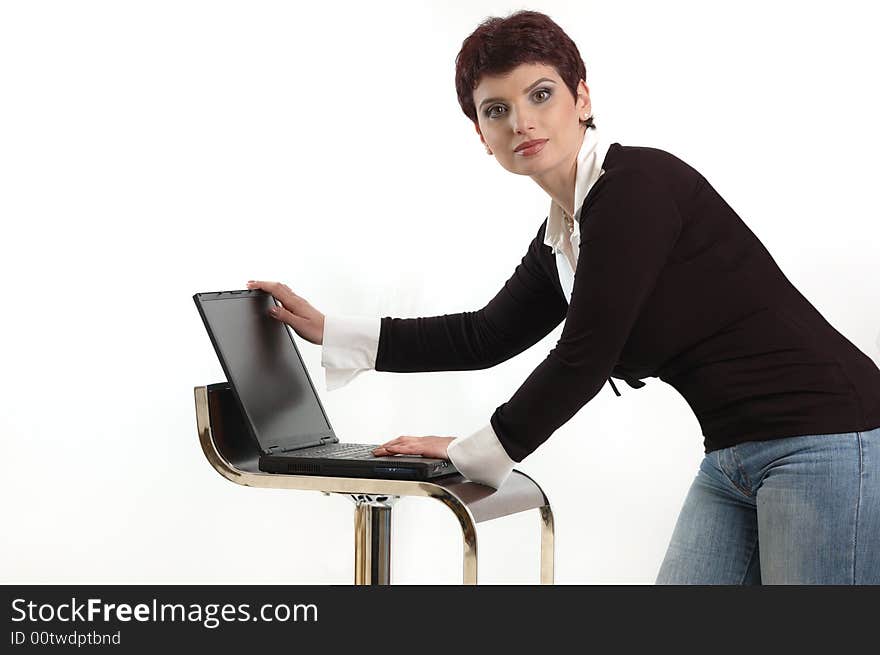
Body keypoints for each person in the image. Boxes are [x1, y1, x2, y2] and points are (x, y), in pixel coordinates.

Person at [247, 10, 880, 584]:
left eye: (540, 94)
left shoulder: (636, 190)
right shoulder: (569, 229)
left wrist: (474, 450)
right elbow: (485, 334)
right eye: (496, 110)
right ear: (480, 134)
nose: (521, 121)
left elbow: (586, 356)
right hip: (734, 455)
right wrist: (333, 330)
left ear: (582, 98)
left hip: (825, 440)